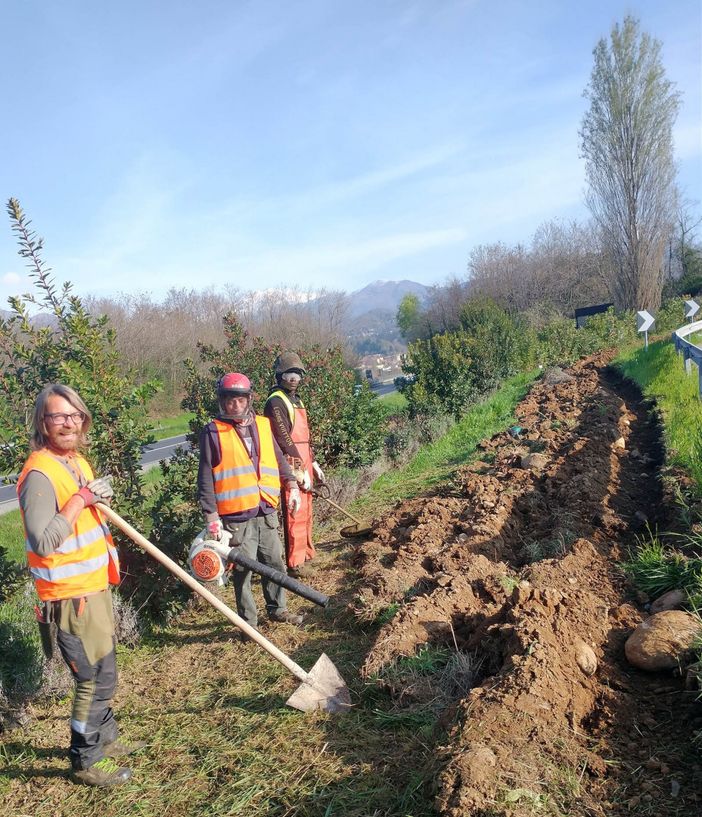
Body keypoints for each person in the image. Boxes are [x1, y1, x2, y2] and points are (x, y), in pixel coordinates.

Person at [17, 384, 139, 787]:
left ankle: (103, 738)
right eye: (57, 416)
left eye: (74, 415)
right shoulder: (39, 473)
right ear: (42, 422)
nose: (68, 422)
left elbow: (86, 514)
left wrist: (93, 497)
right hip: (69, 596)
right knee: (93, 679)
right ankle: (85, 760)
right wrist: (81, 500)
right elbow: (42, 540)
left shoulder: (76, 462)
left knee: (106, 669)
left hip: (93, 587)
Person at [197, 372, 303, 631]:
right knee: (243, 572)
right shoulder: (213, 432)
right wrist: (212, 518)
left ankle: (278, 609)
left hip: (265, 510)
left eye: (240, 400)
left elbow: (278, 459)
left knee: (274, 562)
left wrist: (291, 485)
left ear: (249, 400)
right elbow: (206, 479)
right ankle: (249, 624)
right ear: (222, 402)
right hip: (236, 518)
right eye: (229, 400)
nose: (235, 405)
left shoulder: (263, 425)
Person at [263, 352, 325, 578]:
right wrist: (298, 468)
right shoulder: (276, 402)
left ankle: (306, 554)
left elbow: (304, 436)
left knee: (306, 511)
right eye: (290, 373)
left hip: (305, 458)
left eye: (298, 374)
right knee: (294, 510)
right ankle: (295, 563)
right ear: (279, 375)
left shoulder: (297, 400)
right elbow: (283, 438)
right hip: (290, 462)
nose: (294, 378)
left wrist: (313, 461)